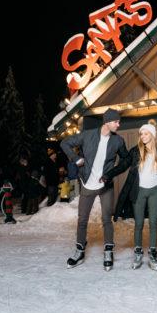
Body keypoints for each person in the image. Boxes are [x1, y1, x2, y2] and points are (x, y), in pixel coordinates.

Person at [60, 108, 129, 271]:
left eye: (119, 122)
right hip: (87, 184)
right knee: (82, 219)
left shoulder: (118, 141)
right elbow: (64, 143)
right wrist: (75, 158)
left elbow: (126, 160)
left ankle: (108, 251)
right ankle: (79, 251)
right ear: (107, 121)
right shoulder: (87, 135)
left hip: (105, 185)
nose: (118, 125)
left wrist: (111, 174)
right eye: (116, 122)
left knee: (107, 219)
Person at [104, 120, 157, 271]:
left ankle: (152, 252)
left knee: (153, 223)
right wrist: (108, 175)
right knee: (138, 224)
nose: (142, 136)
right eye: (141, 134)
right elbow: (122, 166)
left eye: (145, 133)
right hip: (139, 192)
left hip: (155, 191)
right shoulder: (135, 151)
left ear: (152, 134)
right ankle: (138, 252)